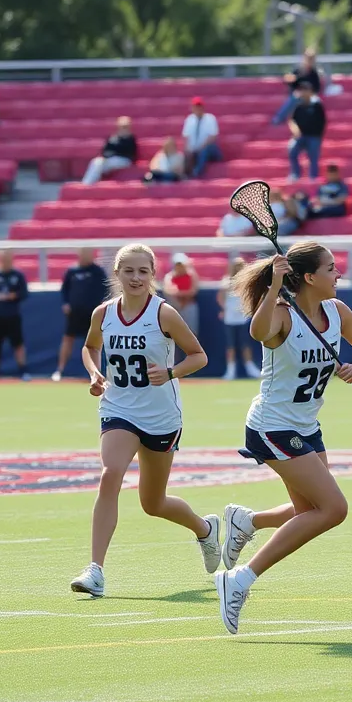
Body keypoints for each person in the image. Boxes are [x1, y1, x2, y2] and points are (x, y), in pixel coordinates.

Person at [214, 242, 352, 634]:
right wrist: (274, 284)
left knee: (309, 509)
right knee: (333, 509)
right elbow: (258, 331)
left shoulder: (337, 312)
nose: (337, 273)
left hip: (306, 425)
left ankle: (247, 521)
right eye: (330, 268)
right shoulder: (280, 314)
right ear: (309, 277)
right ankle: (240, 579)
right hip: (272, 426)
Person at [70, 244, 218, 599]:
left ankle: (204, 529)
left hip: (161, 416)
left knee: (153, 503)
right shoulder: (103, 313)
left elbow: (198, 356)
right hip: (118, 409)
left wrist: (170, 372)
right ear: (117, 274)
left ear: (153, 275)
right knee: (110, 474)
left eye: (143, 271)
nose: (135, 278)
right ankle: (96, 570)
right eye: (128, 271)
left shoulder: (164, 313)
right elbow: (90, 348)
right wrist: (94, 373)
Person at [53, 247, 109, 382]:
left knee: (93, 343)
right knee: (68, 340)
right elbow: (64, 289)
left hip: (92, 314)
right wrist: (66, 303)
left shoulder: (98, 271)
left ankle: (95, 373)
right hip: (74, 313)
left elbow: (106, 288)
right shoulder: (72, 271)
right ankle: (59, 370)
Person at [0, 249, 30, 382]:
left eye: (8, 259)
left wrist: (12, 296)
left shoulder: (17, 275)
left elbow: (25, 293)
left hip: (13, 315)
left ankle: (23, 371)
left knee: (18, 344)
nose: (5, 262)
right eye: (3, 259)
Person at [218, 256, 261, 381]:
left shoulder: (246, 281)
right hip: (230, 319)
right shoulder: (226, 282)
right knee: (231, 345)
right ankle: (230, 370)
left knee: (245, 344)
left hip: (243, 318)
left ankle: (250, 369)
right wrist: (225, 309)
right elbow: (221, 297)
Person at [82, 117, 137, 185]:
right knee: (96, 162)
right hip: (110, 160)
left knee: (101, 164)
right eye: (122, 126)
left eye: (125, 126)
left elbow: (130, 154)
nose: (123, 128)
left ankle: (89, 185)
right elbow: (105, 150)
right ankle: (87, 184)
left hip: (124, 160)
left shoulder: (130, 139)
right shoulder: (113, 138)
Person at [273, 48, 322, 125]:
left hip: (309, 97)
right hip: (299, 95)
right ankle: (278, 119)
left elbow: (317, 88)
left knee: (317, 102)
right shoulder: (298, 71)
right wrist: (290, 80)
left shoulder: (314, 73)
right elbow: (292, 84)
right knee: (294, 98)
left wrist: (308, 93)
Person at [288, 87, 327, 182]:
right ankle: (295, 174)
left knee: (313, 156)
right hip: (300, 136)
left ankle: (313, 177)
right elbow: (292, 120)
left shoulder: (317, 106)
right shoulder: (298, 106)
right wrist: (294, 129)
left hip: (314, 136)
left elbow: (322, 121)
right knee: (292, 151)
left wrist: (319, 135)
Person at [182, 97, 222, 179]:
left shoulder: (210, 118)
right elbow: (186, 137)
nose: (198, 109)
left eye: (199, 106)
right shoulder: (189, 120)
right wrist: (188, 149)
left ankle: (197, 173)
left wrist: (201, 147)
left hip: (209, 149)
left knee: (205, 150)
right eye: (195, 107)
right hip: (195, 150)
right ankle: (185, 174)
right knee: (186, 153)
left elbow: (213, 137)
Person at [162, 254, 200, 340]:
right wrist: (182, 295)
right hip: (175, 308)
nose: (180, 267)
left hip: (188, 307)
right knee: (172, 335)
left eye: (181, 265)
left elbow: (193, 291)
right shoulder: (169, 276)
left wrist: (179, 294)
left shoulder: (191, 275)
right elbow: (168, 290)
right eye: (177, 265)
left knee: (191, 334)